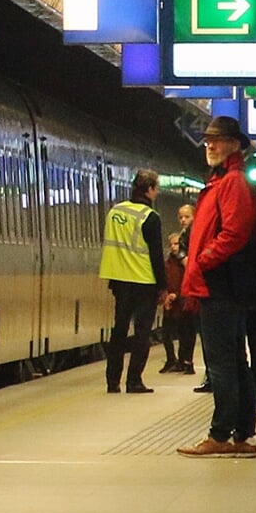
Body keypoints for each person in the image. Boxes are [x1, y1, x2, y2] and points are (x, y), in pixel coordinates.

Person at [176, 116, 256, 458]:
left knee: (222, 363)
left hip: (221, 284)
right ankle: (242, 436)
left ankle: (221, 434)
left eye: (217, 140)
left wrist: (202, 260)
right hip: (221, 283)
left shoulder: (232, 183)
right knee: (234, 362)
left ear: (234, 145)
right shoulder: (222, 181)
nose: (209, 145)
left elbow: (233, 234)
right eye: (208, 139)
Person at [98, 169, 167, 394]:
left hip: (119, 281)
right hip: (144, 281)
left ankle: (112, 381)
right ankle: (134, 381)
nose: (156, 194)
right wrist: (163, 287)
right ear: (148, 189)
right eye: (155, 189)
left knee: (118, 331)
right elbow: (157, 255)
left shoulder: (114, 212)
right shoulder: (150, 217)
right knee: (141, 333)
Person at [158, 226, 197, 375]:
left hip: (184, 303)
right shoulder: (167, 263)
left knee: (185, 333)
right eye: (172, 244)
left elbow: (190, 279)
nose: (174, 247)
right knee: (167, 333)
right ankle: (171, 360)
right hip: (171, 304)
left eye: (177, 244)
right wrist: (165, 295)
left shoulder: (186, 263)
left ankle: (185, 361)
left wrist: (179, 294)